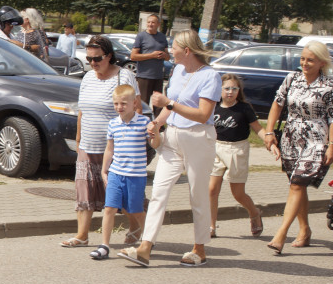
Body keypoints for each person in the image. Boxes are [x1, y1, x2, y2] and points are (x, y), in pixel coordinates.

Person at [119, 30, 222, 267]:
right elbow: (170, 107)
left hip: (198, 138)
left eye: (173, 47)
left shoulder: (210, 76)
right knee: (158, 193)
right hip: (172, 138)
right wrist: (156, 122)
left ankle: (200, 248)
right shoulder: (177, 71)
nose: (169, 51)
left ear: (186, 50)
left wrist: (170, 104)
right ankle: (145, 247)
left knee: (197, 195)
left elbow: (203, 114)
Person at [62, 35, 139, 248]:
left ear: (109, 56)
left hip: (115, 147)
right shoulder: (88, 78)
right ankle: (82, 235)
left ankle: (137, 228)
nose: (93, 63)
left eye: (97, 59)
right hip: (88, 143)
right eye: (89, 59)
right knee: (84, 190)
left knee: (119, 193)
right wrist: (78, 138)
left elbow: (137, 108)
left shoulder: (123, 76)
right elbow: (82, 111)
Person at [263, 41, 333, 255]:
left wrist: (331, 145)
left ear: (321, 62)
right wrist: (269, 132)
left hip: (316, 139)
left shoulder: (329, 85)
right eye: (303, 58)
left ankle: (281, 234)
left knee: (296, 185)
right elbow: (277, 103)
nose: (305, 63)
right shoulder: (292, 79)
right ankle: (304, 229)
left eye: (310, 60)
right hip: (291, 138)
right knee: (297, 185)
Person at [90, 84, 159, 260]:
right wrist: (105, 170)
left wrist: (155, 133)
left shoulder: (143, 122)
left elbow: (154, 144)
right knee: (109, 208)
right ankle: (105, 245)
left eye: (123, 103)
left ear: (134, 103)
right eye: (116, 104)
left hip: (136, 175)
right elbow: (109, 149)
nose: (119, 107)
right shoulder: (113, 124)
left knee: (135, 210)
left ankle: (147, 239)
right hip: (115, 173)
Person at [209, 74, 268, 238]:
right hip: (216, 148)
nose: (230, 92)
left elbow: (258, 128)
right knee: (212, 189)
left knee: (238, 193)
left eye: (234, 89)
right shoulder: (213, 106)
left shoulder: (244, 108)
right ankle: (211, 226)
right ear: (219, 90)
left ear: (238, 91)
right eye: (226, 88)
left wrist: (269, 140)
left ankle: (254, 212)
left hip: (237, 150)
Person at [131, 14, 169, 115]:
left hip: (158, 75)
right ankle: (142, 123)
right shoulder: (141, 36)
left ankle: (158, 125)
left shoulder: (162, 37)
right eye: (148, 22)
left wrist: (164, 55)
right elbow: (133, 56)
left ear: (158, 24)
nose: (150, 24)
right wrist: (152, 55)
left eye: (153, 22)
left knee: (158, 103)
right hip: (144, 76)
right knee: (143, 103)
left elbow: (168, 56)